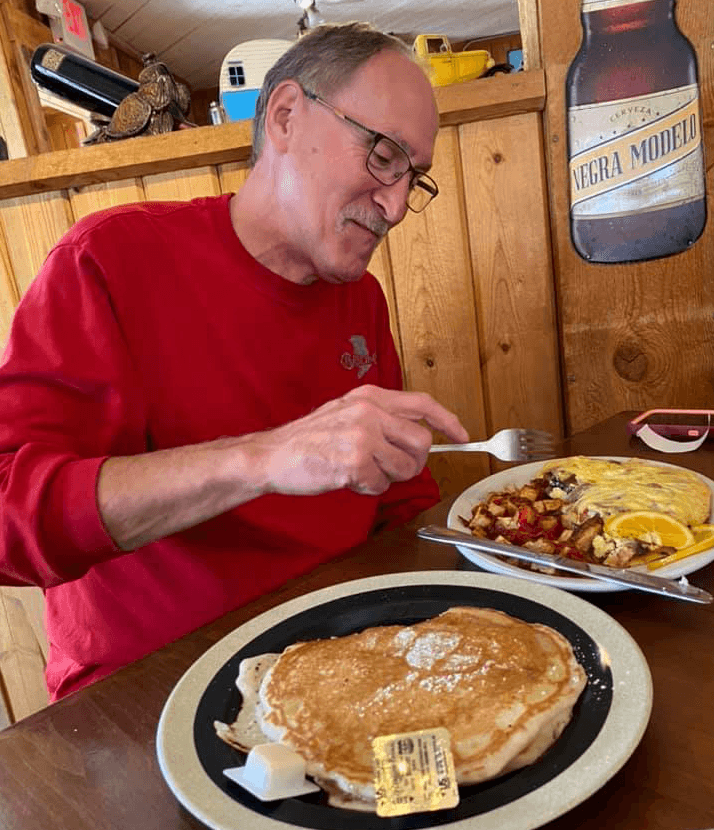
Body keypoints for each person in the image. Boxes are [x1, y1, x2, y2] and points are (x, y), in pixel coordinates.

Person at [0, 22, 468, 702]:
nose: (397, 205)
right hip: (150, 694)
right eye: (384, 156)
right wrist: (263, 459)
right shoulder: (109, 262)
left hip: (345, 666)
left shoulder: (358, 300)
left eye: (413, 178)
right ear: (283, 115)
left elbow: (397, 497)